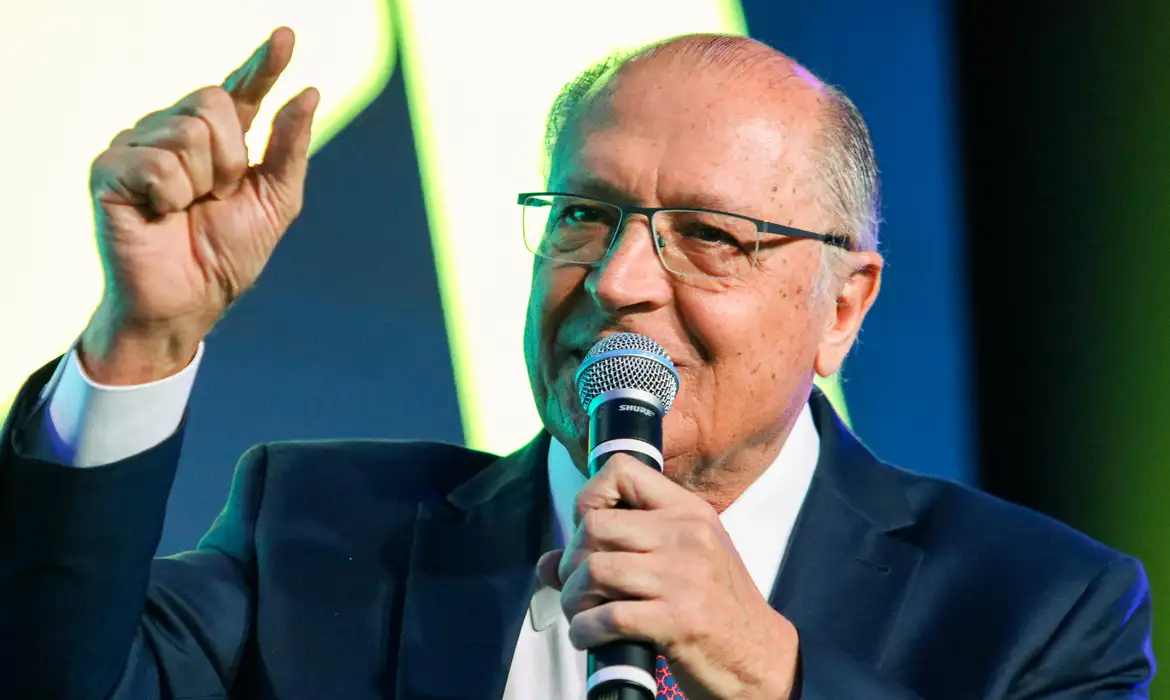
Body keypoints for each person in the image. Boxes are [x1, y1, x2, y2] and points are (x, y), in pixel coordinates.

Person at [0, 25, 1153, 700]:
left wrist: (771, 672)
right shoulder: (315, 529)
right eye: (584, 216)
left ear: (841, 307)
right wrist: (141, 337)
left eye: (708, 236)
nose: (618, 280)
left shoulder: (1042, 610)